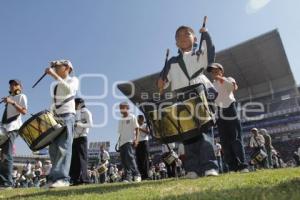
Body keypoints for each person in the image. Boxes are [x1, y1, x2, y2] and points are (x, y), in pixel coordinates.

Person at [158, 25, 219, 178]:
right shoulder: (171, 62)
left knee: (204, 133)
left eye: (187, 34)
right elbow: (163, 82)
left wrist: (207, 34)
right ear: (176, 43)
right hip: (182, 100)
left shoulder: (198, 53)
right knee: (188, 137)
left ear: (195, 38)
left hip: (200, 96)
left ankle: (210, 166)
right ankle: (193, 169)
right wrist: (161, 83)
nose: (183, 37)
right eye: (179, 36)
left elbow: (209, 54)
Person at [207, 63, 249, 172]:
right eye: (212, 72)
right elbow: (210, 100)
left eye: (216, 70)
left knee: (236, 138)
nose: (214, 73)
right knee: (225, 142)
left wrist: (221, 79)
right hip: (219, 112)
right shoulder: (211, 86)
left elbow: (233, 87)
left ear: (221, 71)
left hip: (230, 108)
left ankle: (243, 165)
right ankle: (233, 167)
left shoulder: (228, 79)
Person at [45, 60, 79, 188]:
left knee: (64, 147)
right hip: (55, 118)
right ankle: (53, 179)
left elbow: (69, 89)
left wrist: (53, 75)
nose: (56, 68)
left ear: (67, 68)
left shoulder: (73, 80)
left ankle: (63, 179)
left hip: (67, 115)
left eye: (59, 66)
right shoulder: (55, 85)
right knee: (53, 149)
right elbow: (53, 102)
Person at [0, 79, 28, 189]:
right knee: (2, 156)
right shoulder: (10, 98)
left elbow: (24, 111)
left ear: (20, 87)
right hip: (5, 128)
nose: (13, 86)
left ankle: (7, 183)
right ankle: (2, 181)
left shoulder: (22, 96)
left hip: (13, 128)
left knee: (7, 155)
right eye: (11, 85)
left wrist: (13, 102)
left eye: (15, 84)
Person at [70, 98, 93, 185]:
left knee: (82, 159)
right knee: (74, 160)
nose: (74, 106)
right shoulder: (75, 113)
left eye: (75, 104)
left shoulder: (86, 112)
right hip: (74, 138)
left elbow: (90, 124)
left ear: (79, 104)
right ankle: (75, 179)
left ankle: (85, 179)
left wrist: (80, 124)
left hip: (82, 137)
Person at [117, 102, 141, 182]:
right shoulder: (120, 119)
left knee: (130, 158)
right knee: (124, 161)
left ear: (127, 107)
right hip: (122, 142)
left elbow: (137, 129)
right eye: (120, 108)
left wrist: (137, 139)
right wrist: (118, 143)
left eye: (122, 107)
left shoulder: (132, 117)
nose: (120, 109)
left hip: (129, 141)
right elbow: (120, 133)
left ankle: (137, 174)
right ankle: (128, 177)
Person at [136, 115, 150, 180]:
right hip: (138, 143)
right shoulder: (136, 126)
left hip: (144, 142)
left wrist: (140, 129)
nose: (138, 121)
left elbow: (148, 132)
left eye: (139, 119)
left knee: (145, 159)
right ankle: (142, 176)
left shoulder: (145, 125)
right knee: (139, 160)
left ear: (142, 119)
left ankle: (146, 175)